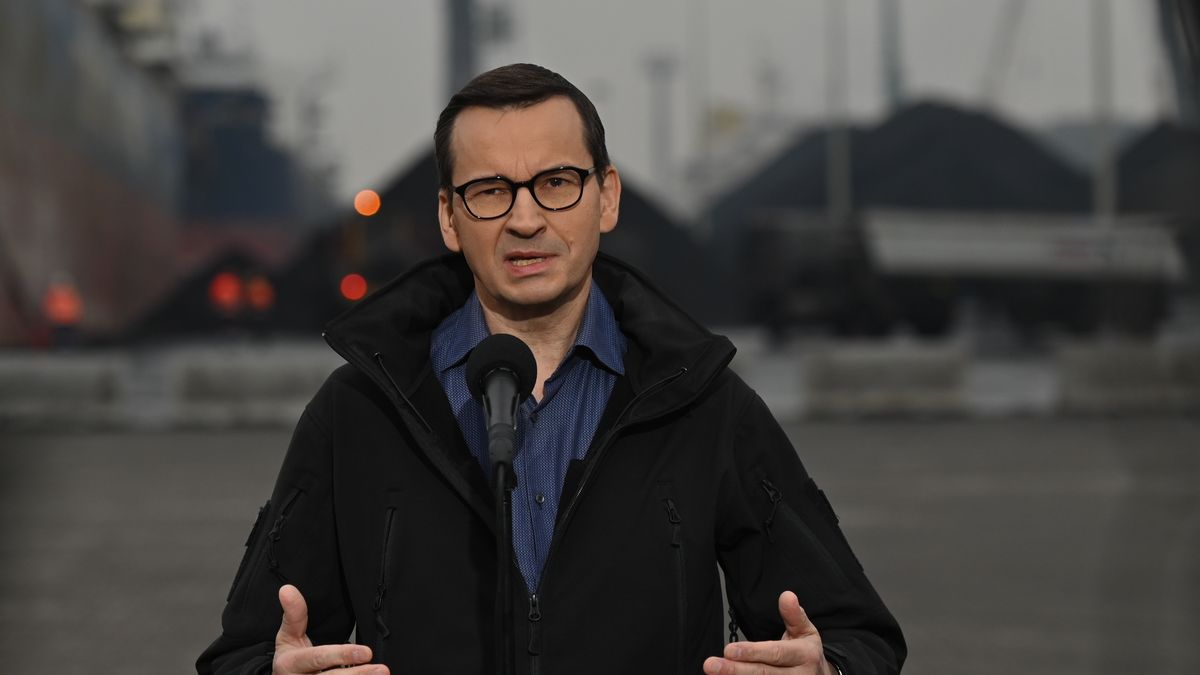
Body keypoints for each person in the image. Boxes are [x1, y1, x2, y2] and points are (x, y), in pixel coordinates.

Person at [197, 63, 904, 675]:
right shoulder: (359, 412)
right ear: (448, 217)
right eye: (490, 190)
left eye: (557, 182)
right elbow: (241, 655)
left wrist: (825, 666)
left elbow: (856, 635)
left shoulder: (701, 404)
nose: (526, 219)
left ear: (608, 197)